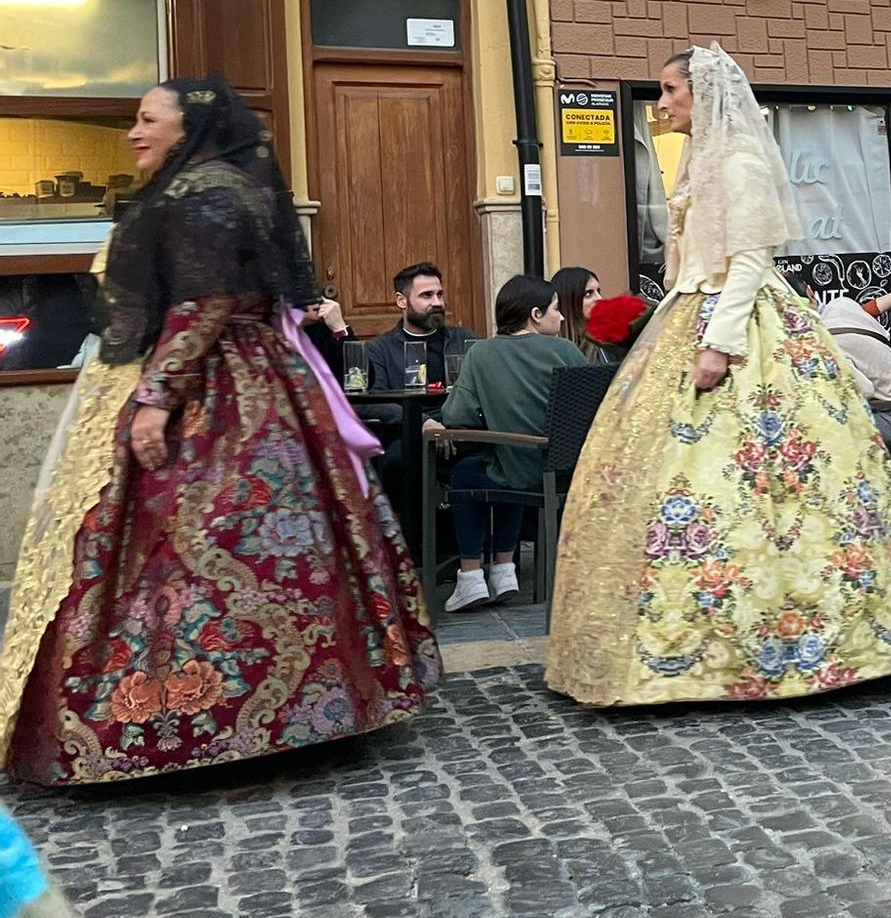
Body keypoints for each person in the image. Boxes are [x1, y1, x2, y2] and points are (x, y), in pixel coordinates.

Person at [0, 78, 438, 786]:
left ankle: (193, 719)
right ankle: (296, 704)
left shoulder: (205, 194)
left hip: (218, 393)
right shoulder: (210, 188)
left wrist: (156, 399)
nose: (134, 132)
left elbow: (204, 304)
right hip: (243, 381)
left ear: (190, 127)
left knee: (195, 542)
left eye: (148, 120)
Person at [545, 46, 891, 705]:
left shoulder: (739, 159)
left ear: (702, 95)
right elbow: (690, 266)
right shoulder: (699, 163)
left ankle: (794, 636)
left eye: (672, 90)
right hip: (692, 313)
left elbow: (750, 261)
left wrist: (719, 345)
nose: (663, 102)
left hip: (740, 323)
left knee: (779, 481)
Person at [435, 275, 589, 612]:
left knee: (468, 473)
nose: (561, 318)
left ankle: (472, 576)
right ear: (535, 314)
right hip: (568, 473)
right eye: (556, 310)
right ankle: (504, 571)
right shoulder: (567, 351)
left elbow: (456, 414)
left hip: (519, 470)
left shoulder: (482, 354)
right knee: (503, 460)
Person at [361, 261, 480, 492]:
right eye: (426, 295)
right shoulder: (380, 349)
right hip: (409, 431)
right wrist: (422, 422)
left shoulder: (464, 340)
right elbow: (373, 400)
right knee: (396, 461)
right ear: (401, 301)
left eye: (439, 294)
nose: (436, 303)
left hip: (463, 430)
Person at [818, 292, 891, 446]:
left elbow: (865, 390)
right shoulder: (842, 306)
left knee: (819, 433)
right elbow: (872, 308)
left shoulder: (828, 338)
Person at [551, 265, 607, 364]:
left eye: (598, 292)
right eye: (588, 294)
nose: (599, 299)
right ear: (569, 300)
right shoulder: (552, 348)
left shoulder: (607, 342)